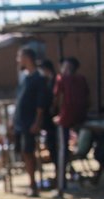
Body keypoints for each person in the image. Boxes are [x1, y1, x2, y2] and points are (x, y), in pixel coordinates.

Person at [13, 47, 46, 197]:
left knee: (29, 152)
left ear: (27, 57)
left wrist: (37, 122)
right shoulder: (24, 77)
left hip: (29, 122)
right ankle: (30, 181)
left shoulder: (38, 78)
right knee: (23, 152)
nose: (18, 60)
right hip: (20, 122)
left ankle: (33, 184)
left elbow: (41, 104)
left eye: (20, 56)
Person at [53, 57, 90, 155]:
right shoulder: (82, 78)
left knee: (63, 146)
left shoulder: (61, 79)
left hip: (66, 118)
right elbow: (88, 98)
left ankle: (62, 167)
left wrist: (57, 114)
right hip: (81, 116)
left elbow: (57, 98)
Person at [38, 59, 62, 187]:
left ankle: (59, 177)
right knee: (53, 150)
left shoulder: (54, 82)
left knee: (55, 150)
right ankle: (58, 176)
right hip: (50, 123)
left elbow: (54, 102)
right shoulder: (48, 82)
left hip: (54, 124)